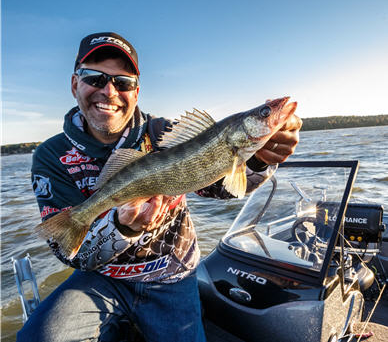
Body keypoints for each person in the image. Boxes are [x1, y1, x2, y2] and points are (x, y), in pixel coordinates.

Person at [17, 32, 302, 342]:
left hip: (172, 276)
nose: (109, 91)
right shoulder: (51, 156)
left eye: (122, 82)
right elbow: (72, 254)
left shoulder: (164, 133)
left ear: (136, 92)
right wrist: (120, 228)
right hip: (100, 279)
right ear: (75, 84)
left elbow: (219, 188)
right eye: (95, 78)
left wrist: (259, 161)